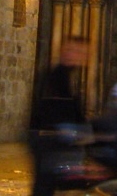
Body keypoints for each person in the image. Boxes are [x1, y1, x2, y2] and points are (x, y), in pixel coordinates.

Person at [29, 37, 89, 196]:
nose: (73, 55)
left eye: (78, 52)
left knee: (49, 184)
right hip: (47, 137)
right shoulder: (56, 75)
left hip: (52, 137)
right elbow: (56, 109)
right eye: (70, 50)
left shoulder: (67, 75)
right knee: (45, 184)